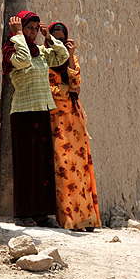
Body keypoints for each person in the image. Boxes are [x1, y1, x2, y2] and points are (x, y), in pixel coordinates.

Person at [2, 10, 69, 227]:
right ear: (19, 27)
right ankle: (23, 214)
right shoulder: (12, 50)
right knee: (26, 165)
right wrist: (18, 36)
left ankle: (41, 213)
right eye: (28, 27)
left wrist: (48, 36)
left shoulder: (40, 51)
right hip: (23, 113)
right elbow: (21, 61)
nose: (32, 32)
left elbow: (62, 56)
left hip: (42, 110)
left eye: (34, 28)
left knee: (42, 164)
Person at [46, 22, 101, 231]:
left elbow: (76, 82)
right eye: (55, 39)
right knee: (63, 166)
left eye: (62, 39)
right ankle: (68, 219)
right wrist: (67, 89)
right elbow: (49, 88)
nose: (58, 43)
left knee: (80, 167)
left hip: (75, 119)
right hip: (57, 118)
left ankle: (85, 218)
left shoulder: (72, 59)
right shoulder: (46, 59)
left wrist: (70, 55)